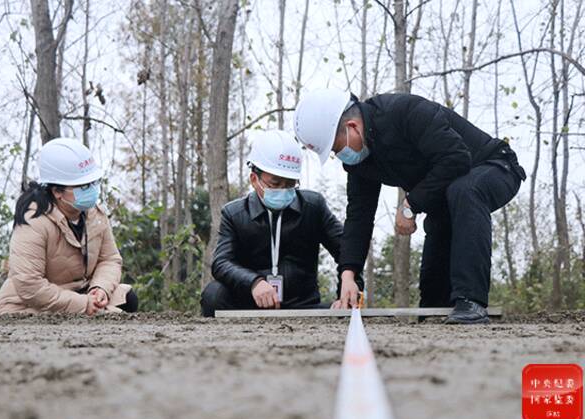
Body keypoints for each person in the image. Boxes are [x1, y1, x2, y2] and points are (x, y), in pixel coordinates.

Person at [294, 89, 526, 324]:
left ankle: (471, 301)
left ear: (352, 126)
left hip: (495, 167)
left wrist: (410, 204)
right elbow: (358, 218)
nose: (339, 155)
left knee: (465, 191)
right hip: (449, 193)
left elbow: (456, 158)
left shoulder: (404, 111)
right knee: (438, 224)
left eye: (336, 148)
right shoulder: (360, 164)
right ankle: (433, 308)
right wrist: (348, 275)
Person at [200, 130, 350, 317]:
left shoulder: (313, 207)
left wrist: (346, 289)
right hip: (251, 306)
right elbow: (221, 262)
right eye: (275, 183)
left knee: (344, 312)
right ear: (254, 179)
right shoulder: (234, 214)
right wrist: (254, 282)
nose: (283, 190)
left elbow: (346, 250)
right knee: (213, 294)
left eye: (290, 184)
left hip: (303, 307)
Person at [0, 138, 138, 315]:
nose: (92, 190)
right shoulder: (33, 222)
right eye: (83, 186)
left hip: (80, 292)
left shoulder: (95, 214)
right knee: (107, 316)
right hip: (31, 303)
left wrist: (100, 289)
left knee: (127, 297)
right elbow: (29, 284)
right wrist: (82, 304)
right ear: (57, 192)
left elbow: (109, 259)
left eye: (93, 183)